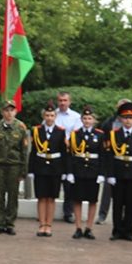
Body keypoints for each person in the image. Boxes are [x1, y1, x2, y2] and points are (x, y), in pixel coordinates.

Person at [105, 102, 132, 242]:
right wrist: (110, 174)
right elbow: (110, 156)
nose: (128, 120)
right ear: (121, 119)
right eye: (125, 117)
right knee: (117, 203)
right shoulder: (114, 134)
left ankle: (129, 231)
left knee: (131, 203)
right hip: (118, 172)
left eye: (131, 117)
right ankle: (117, 230)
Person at [0, 101, 28, 235]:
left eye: (11, 110)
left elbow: (24, 151)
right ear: (2, 112)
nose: (9, 113)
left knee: (13, 195)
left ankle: (10, 223)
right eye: (6, 110)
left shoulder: (21, 127)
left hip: (14, 166)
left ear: (15, 112)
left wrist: (24, 171)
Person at [66, 106, 105, 239]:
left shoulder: (100, 134)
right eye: (85, 118)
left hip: (93, 171)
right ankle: (78, 227)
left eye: (90, 118)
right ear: (81, 119)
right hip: (78, 170)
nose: (87, 121)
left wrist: (101, 173)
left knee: (92, 200)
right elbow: (70, 155)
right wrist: (70, 172)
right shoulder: (75, 134)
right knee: (77, 200)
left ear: (94, 120)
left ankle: (89, 228)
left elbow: (103, 155)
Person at [28, 101, 66, 237]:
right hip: (40, 166)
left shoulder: (61, 132)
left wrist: (64, 171)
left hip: (55, 168)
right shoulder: (37, 130)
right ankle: (41, 224)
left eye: (52, 115)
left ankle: (49, 225)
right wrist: (31, 170)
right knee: (41, 197)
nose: (49, 118)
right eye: (47, 115)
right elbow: (33, 151)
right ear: (43, 116)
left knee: (51, 198)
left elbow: (64, 153)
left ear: (55, 116)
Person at [96, 98, 132, 224]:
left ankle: (127, 217)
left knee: (128, 192)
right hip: (111, 160)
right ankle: (102, 215)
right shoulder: (109, 123)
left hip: (128, 163)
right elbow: (103, 139)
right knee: (107, 189)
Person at [54, 91, 82, 223]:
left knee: (69, 186)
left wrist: (65, 140)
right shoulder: (51, 115)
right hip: (54, 155)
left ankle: (68, 213)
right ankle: (48, 211)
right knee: (52, 183)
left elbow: (77, 136)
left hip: (69, 154)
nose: (62, 103)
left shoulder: (76, 117)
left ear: (69, 102)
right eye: (60, 100)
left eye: (65, 100)